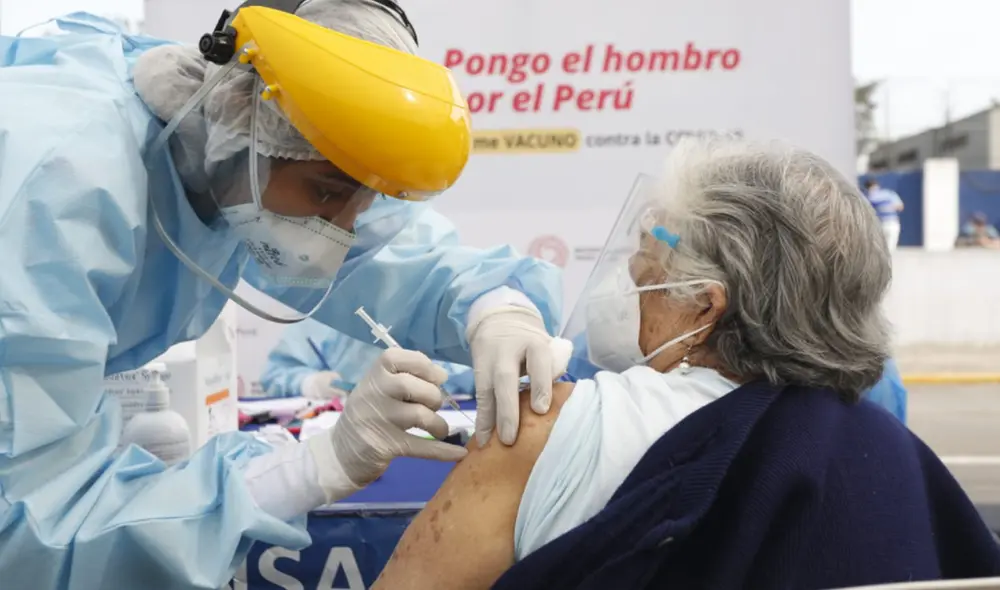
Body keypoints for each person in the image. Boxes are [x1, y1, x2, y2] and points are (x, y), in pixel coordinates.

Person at [0, 2, 566, 588]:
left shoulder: (228, 149)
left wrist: (497, 307)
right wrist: (309, 468)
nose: (342, 231)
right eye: (327, 193)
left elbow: (397, 253)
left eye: (364, 200)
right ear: (242, 121)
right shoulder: (55, 191)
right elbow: (23, 528)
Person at [373, 138, 1000, 590]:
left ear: (705, 307)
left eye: (646, 258)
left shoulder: (548, 426)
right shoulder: (890, 451)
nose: (631, 273)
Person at [260, 317, 473, 400]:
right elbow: (276, 374)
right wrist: (312, 384)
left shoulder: (446, 318)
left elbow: (481, 378)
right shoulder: (328, 312)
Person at [864, 177, 905, 250]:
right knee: (889, 248)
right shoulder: (889, 194)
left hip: (881, 224)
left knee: (881, 248)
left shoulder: (868, 197)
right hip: (889, 223)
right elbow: (900, 206)